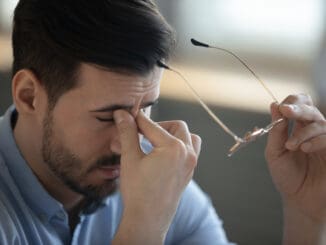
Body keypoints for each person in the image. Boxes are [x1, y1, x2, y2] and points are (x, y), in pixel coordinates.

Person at [0, 1, 325, 245]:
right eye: (106, 117)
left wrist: (308, 218)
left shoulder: (160, 185)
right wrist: (144, 224)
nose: (129, 144)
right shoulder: (152, 199)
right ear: (29, 96)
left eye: (147, 109)